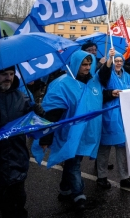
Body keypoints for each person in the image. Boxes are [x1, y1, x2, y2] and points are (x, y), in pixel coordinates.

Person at [37, 50, 115, 211]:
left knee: (73, 160)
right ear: (75, 64)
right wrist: (45, 138)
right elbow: (52, 113)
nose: (87, 68)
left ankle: (65, 190)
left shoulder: (92, 81)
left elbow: (96, 95)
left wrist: (111, 94)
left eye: (89, 64)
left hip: (86, 132)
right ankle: (78, 194)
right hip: (69, 133)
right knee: (73, 162)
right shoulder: (62, 84)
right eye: (84, 65)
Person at [0, 67, 31, 218]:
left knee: (16, 207)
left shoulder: (21, 97)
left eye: (11, 74)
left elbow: (31, 124)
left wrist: (37, 113)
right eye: (4, 74)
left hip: (15, 161)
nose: (9, 78)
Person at [96, 49, 130, 188]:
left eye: (120, 61)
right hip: (109, 114)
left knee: (122, 147)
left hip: (124, 115)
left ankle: (124, 178)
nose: (118, 63)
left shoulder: (126, 75)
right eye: (116, 61)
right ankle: (101, 177)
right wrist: (109, 60)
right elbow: (102, 78)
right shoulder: (106, 73)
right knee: (105, 147)